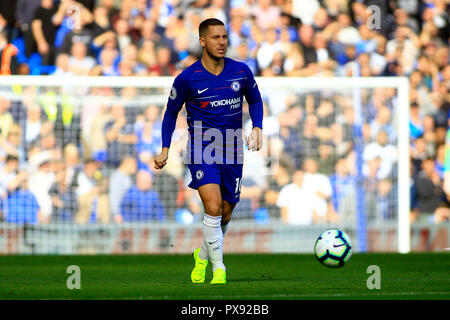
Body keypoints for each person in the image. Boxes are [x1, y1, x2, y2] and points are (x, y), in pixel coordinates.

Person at [153, 18, 263, 285]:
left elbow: (255, 99)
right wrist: (165, 148)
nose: (221, 42)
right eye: (215, 38)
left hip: (233, 148)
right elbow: (170, 113)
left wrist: (258, 127)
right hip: (203, 149)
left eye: (224, 37)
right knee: (212, 207)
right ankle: (219, 269)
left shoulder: (241, 71)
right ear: (203, 41)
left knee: (225, 212)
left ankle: (202, 255)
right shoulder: (187, 78)